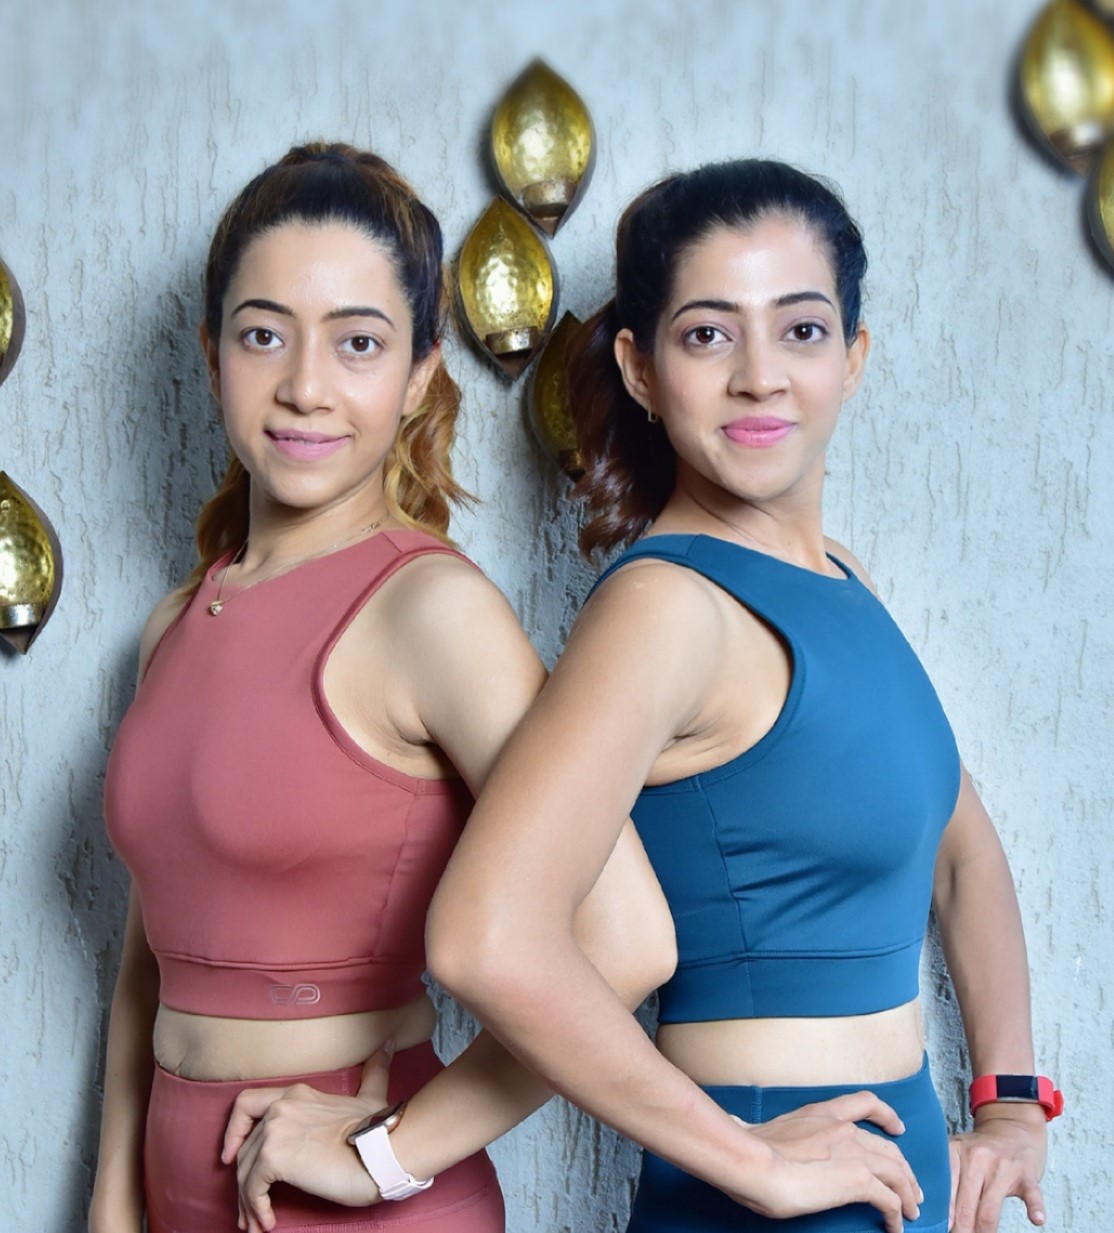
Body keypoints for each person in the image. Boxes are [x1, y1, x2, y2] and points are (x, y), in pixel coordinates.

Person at [426, 160, 1058, 1233]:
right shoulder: (665, 608)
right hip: (758, 1192)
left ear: (853, 359)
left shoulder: (841, 580)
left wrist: (1008, 1102)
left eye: (801, 330)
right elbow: (484, 936)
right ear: (640, 369)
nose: (760, 376)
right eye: (708, 334)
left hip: (899, 1171)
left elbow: (962, 852)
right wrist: (749, 1161)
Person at [89, 141, 679, 1233]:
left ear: (416, 376)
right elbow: (150, 952)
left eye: (357, 342)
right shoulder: (174, 624)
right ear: (212, 353)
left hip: (359, 1205)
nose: (305, 386)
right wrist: (114, 1200)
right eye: (263, 334)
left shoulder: (430, 612)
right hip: (178, 1192)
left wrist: (392, 1156)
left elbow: (628, 938)